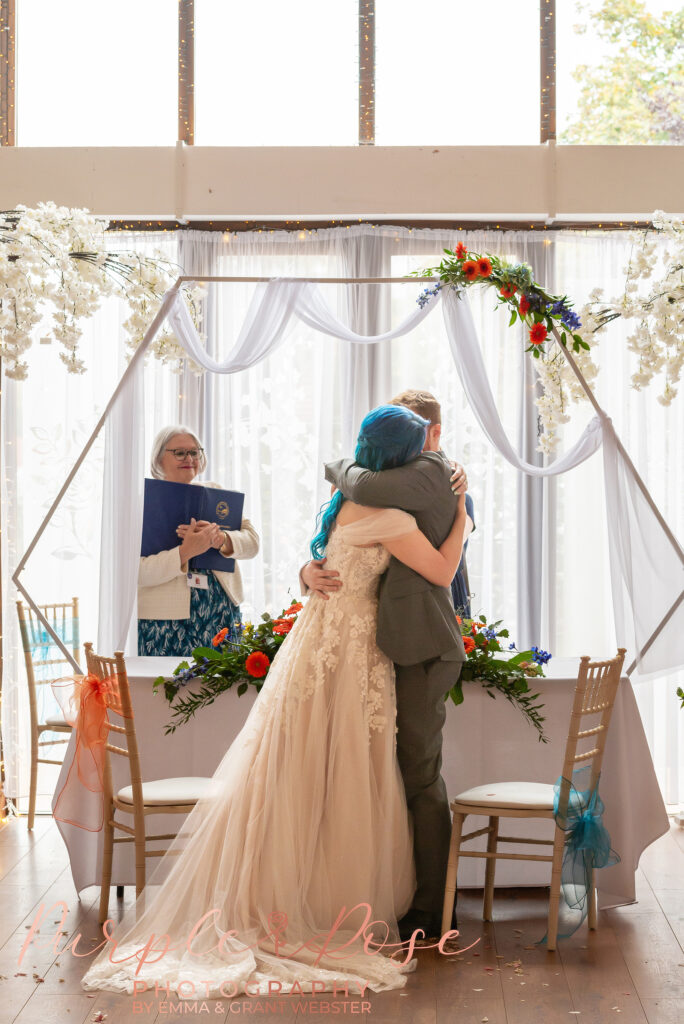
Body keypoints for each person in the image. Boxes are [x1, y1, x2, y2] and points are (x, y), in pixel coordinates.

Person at [82, 405, 467, 999]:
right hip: (352, 649)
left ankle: (289, 892)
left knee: (300, 766)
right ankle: (331, 902)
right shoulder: (392, 515)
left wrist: (308, 573)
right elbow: (442, 569)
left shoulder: (346, 502)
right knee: (346, 767)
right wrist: (462, 514)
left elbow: (332, 558)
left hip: (316, 641)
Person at [301, 389, 469, 942]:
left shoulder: (428, 477)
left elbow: (436, 566)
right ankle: (369, 889)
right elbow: (336, 551)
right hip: (370, 645)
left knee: (417, 773)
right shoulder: (382, 493)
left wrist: (463, 517)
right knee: (366, 768)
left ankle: (429, 907)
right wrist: (308, 571)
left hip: (418, 644)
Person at [137, 425, 259, 656]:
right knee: (170, 691)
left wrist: (221, 539)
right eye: (180, 453)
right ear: (158, 458)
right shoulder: (141, 504)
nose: (190, 459)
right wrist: (185, 552)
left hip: (220, 613)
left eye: (195, 452)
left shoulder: (216, 492)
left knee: (224, 690)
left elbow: (253, 543)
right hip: (164, 622)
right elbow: (138, 573)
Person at [388, 391, 476, 617]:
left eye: (411, 432)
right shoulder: (383, 486)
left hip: (446, 607)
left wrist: (461, 511)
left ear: (435, 432)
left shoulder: (457, 492)